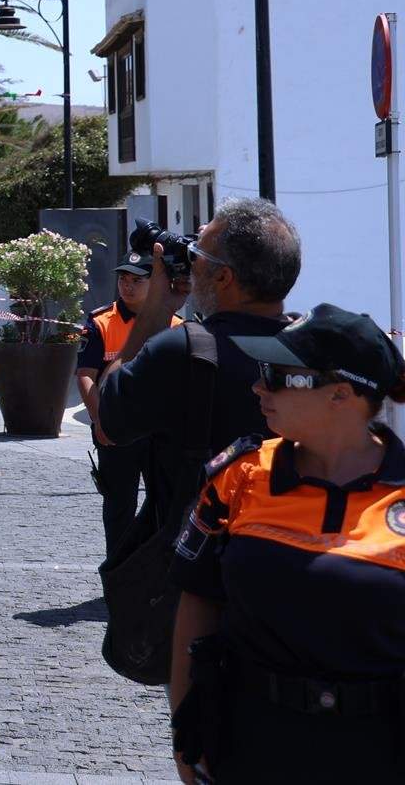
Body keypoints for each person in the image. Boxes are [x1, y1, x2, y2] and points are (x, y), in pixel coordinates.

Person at [169, 304, 405, 783]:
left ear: (342, 393)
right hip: (251, 743)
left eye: (278, 375)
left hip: (383, 750)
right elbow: (197, 602)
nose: (259, 387)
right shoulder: (240, 474)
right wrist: (186, 730)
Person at [98, 198, 300, 528]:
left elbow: (108, 425)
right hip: (291, 545)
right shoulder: (315, 350)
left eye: (198, 256)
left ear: (223, 277)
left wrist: (156, 309)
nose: (192, 266)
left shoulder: (180, 351)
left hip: (199, 558)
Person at [75, 252, 178, 563]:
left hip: (161, 434)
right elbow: (85, 377)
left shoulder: (176, 325)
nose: (128, 286)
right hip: (117, 432)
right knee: (119, 507)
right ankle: (117, 575)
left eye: (137, 280)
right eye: (123, 279)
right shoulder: (100, 323)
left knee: (166, 505)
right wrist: (100, 422)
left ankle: (158, 575)